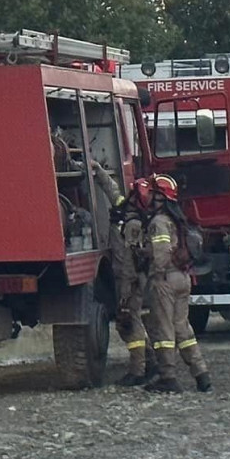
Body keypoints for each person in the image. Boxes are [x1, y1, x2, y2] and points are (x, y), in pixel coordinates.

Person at [142, 174, 212, 393]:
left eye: (152, 194)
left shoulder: (159, 222)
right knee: (183, 328)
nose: (149, 198)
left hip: (166, 279)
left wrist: (157, 273)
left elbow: (161, 252)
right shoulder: (177, 220)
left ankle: (168, 377)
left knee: (163, 330)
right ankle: (201, 374)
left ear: (160, 197)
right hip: (183, 278)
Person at [89, 163, 156, 386]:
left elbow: (130, 261)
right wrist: (97, 170)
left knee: (129, 321)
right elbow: (113, 191)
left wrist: (126, 292)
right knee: (130, 321)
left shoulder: (133, 224)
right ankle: (150, 361)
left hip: (131, 280)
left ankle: (138, 371)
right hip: (126, 278)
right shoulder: (125, 211)